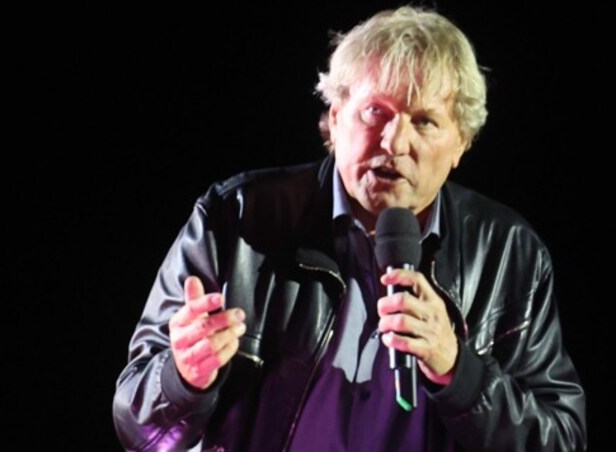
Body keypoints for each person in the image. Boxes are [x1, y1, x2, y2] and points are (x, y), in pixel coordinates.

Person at [112, 5, 587, 451]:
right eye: (375, 111)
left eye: (424, 121)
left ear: (461, 144)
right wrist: (182, 379)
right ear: (335, 119)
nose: (394, 141)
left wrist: (459, 372)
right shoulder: (235, 218)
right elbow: (137, 424)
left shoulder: (509, 252)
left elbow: (559, 439)